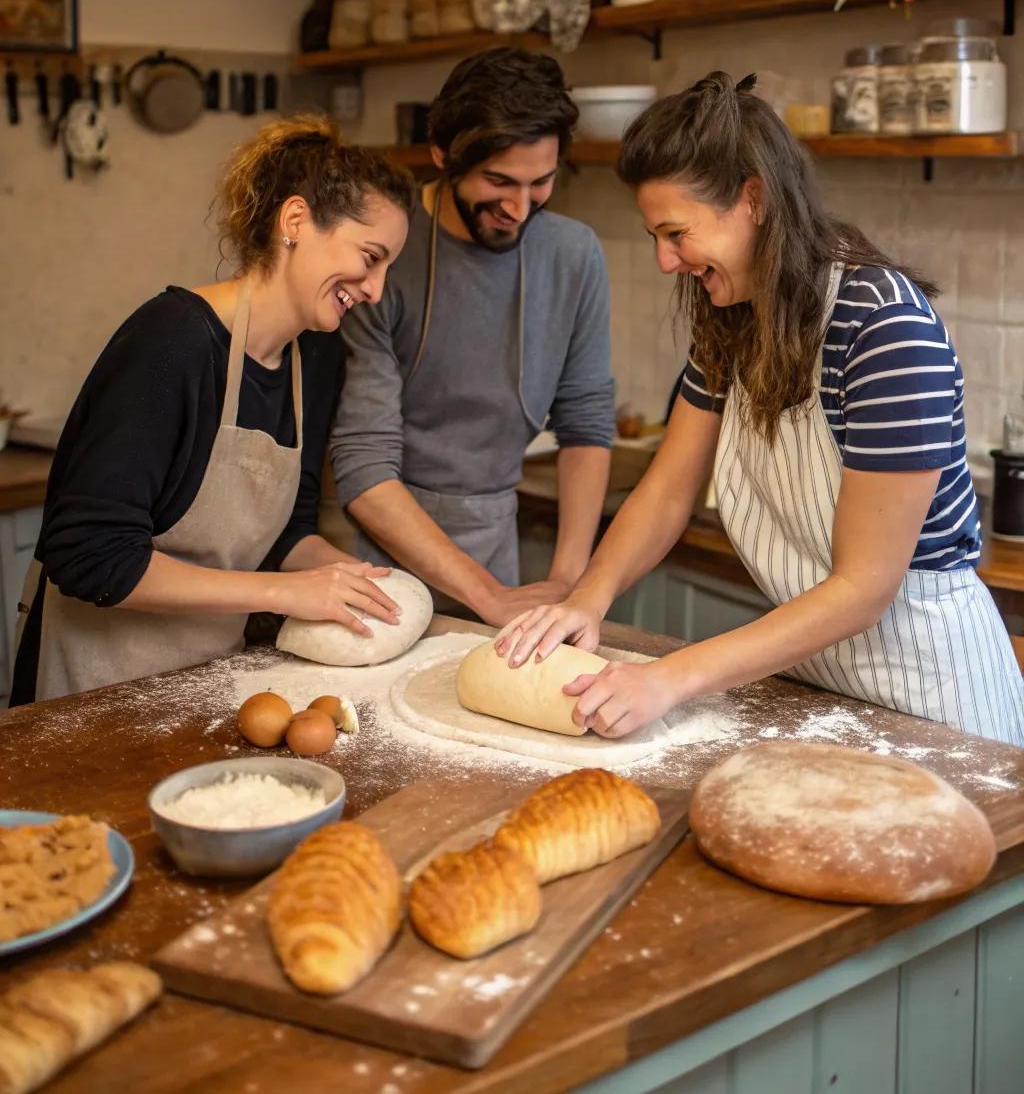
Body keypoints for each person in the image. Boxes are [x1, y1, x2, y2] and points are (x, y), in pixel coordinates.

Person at [498, 72, 1024, 747]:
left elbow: (864, 588)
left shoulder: (882, 328)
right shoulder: (735, 321)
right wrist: (586, 600)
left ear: (753, 200)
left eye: (676, 232)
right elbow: (665, 493)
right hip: (818, 681)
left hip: (932, 704)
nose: (664, 260)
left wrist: (670, 677)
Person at [11, 115, 415, 705]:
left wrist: (358, 585)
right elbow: (89, 555)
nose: (376, 290)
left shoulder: (317, 357)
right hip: (90, 689)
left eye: (388, 269)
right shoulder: (172, 341)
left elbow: (285, 532)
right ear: (296, 221)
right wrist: (284, 594)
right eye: (369, 257)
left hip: (203, 685)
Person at [330, 48, 615, 627]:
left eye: (542, 182)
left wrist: (567, 580)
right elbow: (363, 464)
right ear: (443, 156)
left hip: (494, 547)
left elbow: (585, 421)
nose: (519, 206)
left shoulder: (574, 254)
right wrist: (487, 596)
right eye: (498, 181)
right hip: (373, 555)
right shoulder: (386, 254)